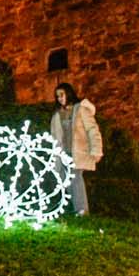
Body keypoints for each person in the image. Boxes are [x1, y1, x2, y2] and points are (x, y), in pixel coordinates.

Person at [50, 82, 103, 215]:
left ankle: (82, 210)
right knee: (65, 178)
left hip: (79, 151)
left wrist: (96, 150)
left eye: (61, 95)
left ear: (68, 93)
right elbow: (55, 137)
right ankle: (76, 208)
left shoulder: (81, 110)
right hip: (64, 153)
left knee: (75, 177)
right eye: (57, 96)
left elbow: (92, 130)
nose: (59, 98)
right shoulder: (58, 115)